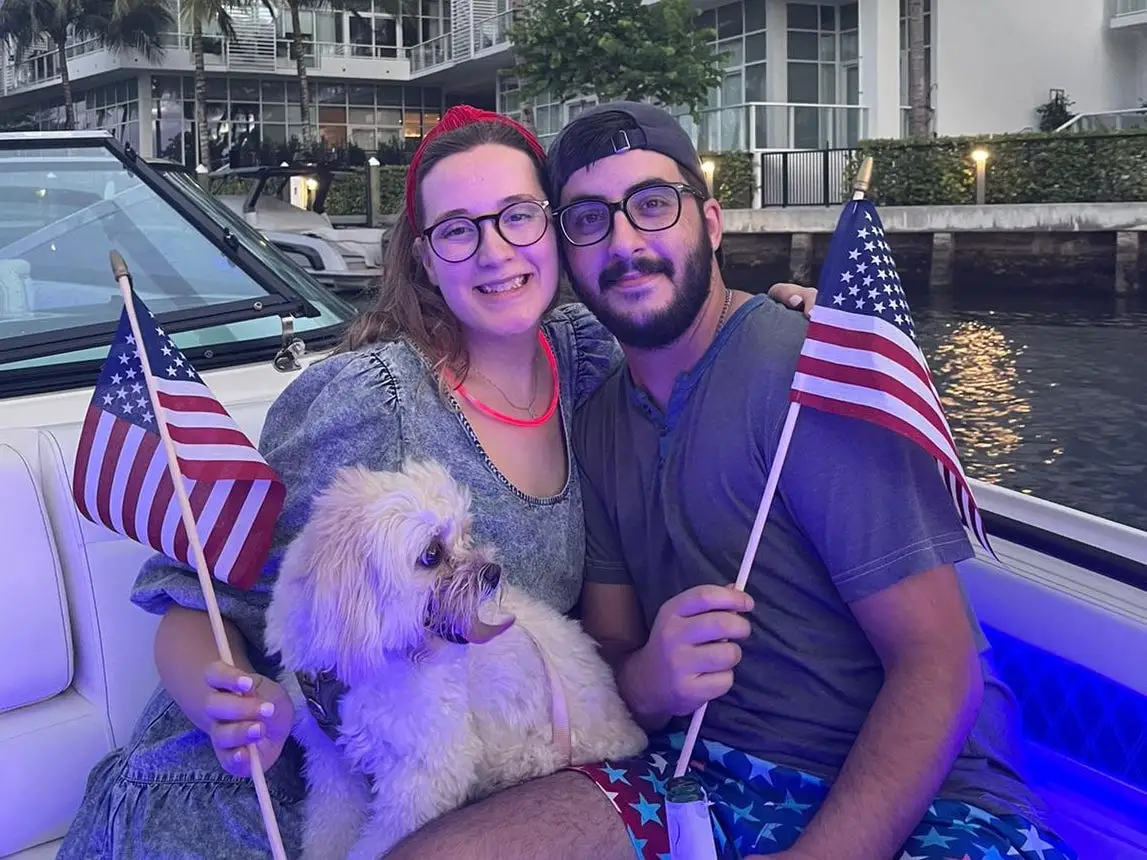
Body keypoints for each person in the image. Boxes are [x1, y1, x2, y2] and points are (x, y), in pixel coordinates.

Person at [56, 105, 814, 859]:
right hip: (279, 788)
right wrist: (218, 695)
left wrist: (777, 315)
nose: (494, 252)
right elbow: (200, 596)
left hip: (468, 782)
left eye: (517, 216)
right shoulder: (371, 402)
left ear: (553, 227)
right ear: (422, 257)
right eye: (457, 229)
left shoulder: (587, 362)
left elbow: (688, 332)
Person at [383, 103, 1077, 860]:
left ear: (711, 222)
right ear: (565, 251)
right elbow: (613, 642)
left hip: (927, 803)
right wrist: (649, 678)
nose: (624, 243)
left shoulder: (812, 372)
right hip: (694, 773)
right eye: (588, 219)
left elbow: (938, 664)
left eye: (652, 205)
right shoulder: (599, 417)